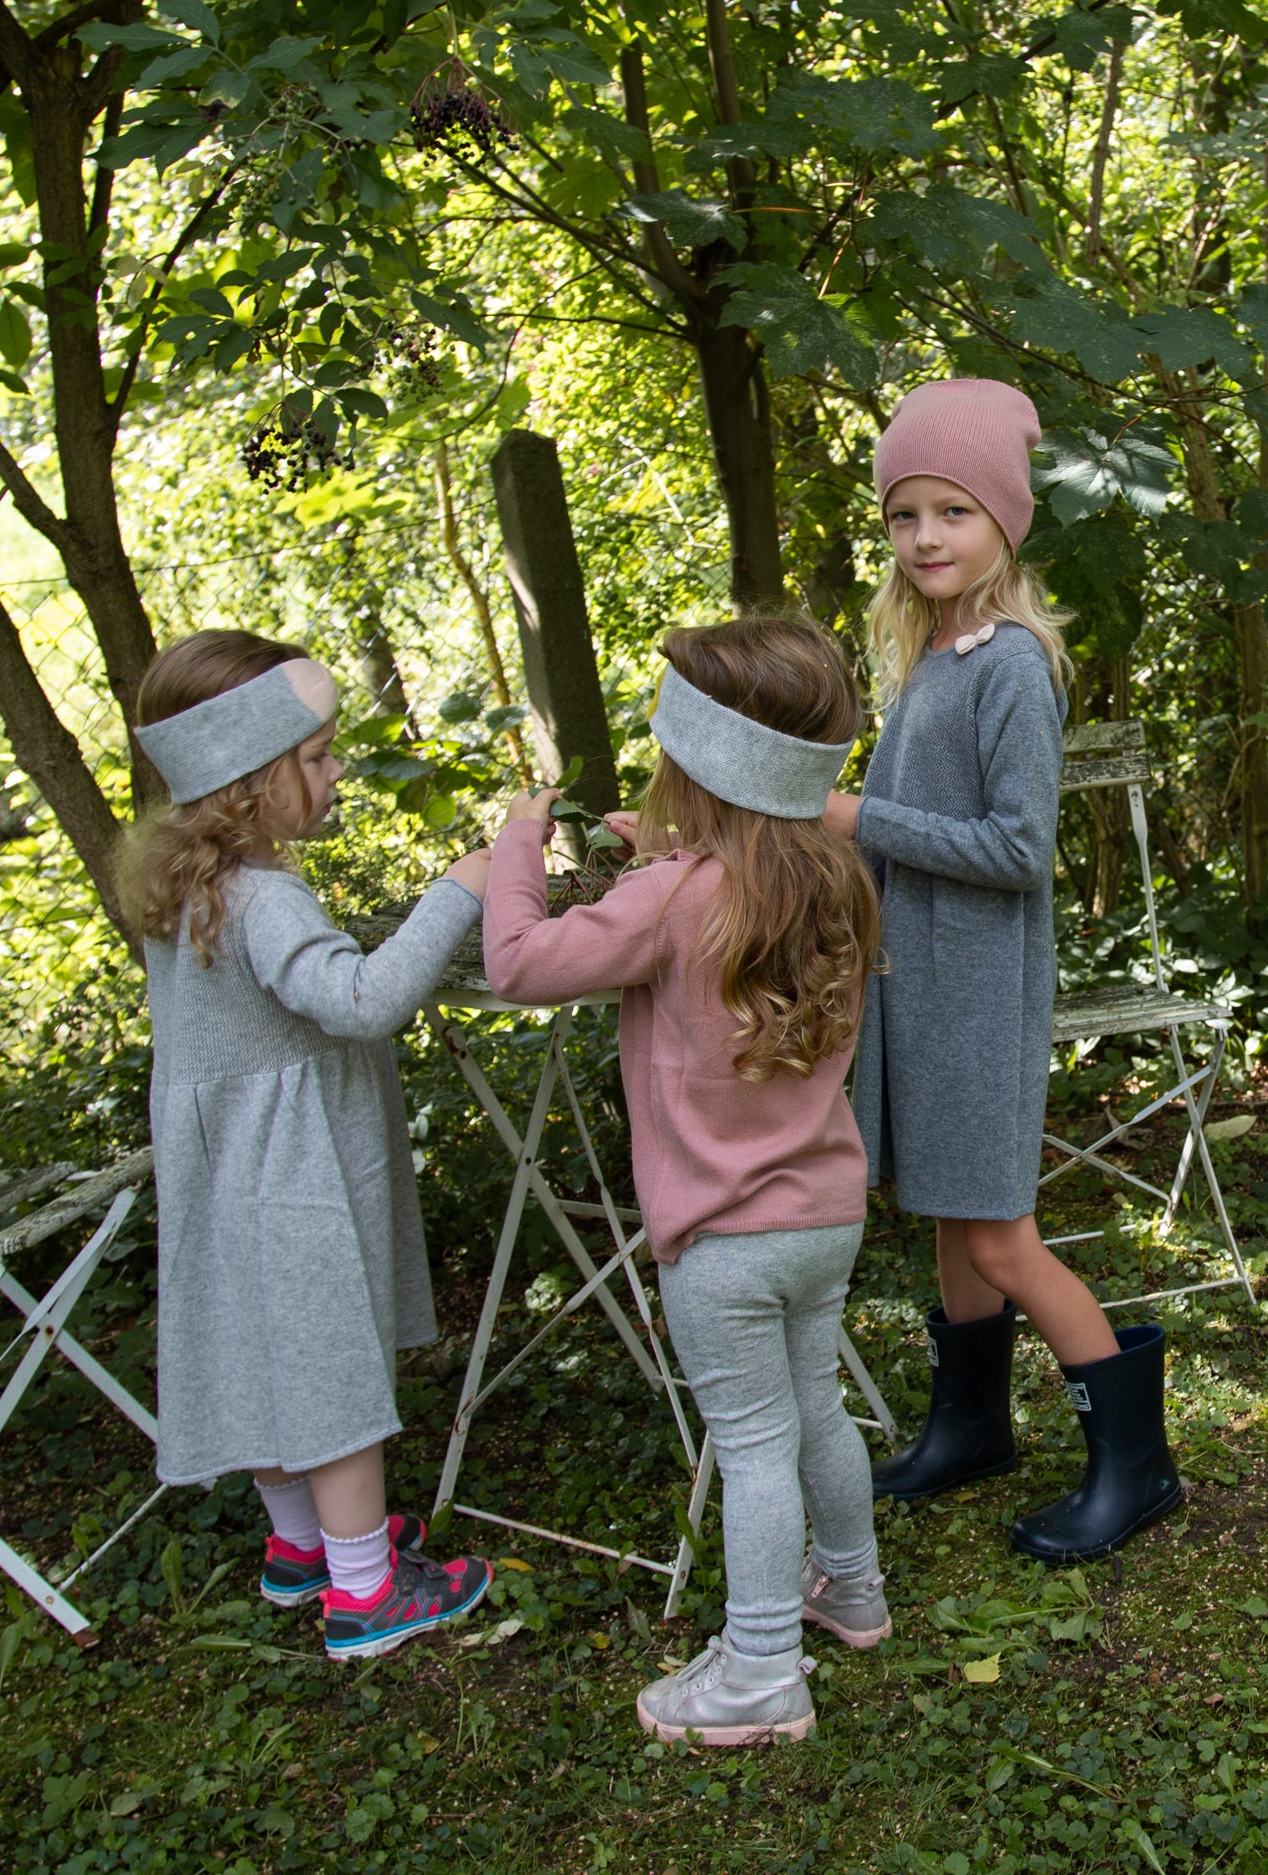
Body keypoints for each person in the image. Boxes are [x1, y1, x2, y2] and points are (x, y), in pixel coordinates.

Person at [484, 616, 886, 1748]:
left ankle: (761, 1665)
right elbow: (723, 900)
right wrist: (664, 855)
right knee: (816, 1409)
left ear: (695, 766)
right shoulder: (833, 879)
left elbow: (520, 960)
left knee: (752, 1442)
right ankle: (851, 1589)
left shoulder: (668, 900)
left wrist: (516, 845)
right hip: (822, 1216)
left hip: (720, 1240)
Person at [824, 377, 1182, 1562]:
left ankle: (1134, 1467)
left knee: (999, 1237)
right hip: (912, 982)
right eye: (902, 514)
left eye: (952, 511)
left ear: (1004, 523)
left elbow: (1019, 850)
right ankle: (968, 1425)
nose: (924, 536)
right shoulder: (933, 653)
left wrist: (858, 817)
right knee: (945, 1215)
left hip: (973, 993)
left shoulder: (1011, 663)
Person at [127, 629, 494, 1660]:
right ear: (251, 778)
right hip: (291, 1176)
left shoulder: (186, 885)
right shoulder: (267, 895)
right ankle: (366, 1591)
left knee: (265, 1348)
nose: (336, 774)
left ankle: (303, 1548)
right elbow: (360, 1000)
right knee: (330, 1369)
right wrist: (458, 887)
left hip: (224, 1166)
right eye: (321, 755)